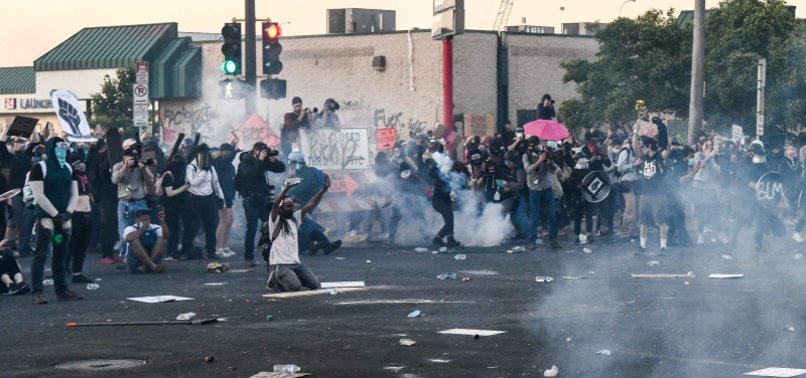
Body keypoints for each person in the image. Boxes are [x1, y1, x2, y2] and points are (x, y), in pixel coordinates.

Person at [29, 137, 82, 304]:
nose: (63, 150)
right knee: (40, 255)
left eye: (65, 147)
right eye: (59, 146)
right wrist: (55, 214)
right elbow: (39, 195)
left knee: (60, 255)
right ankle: (37, 291)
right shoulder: (39, 168)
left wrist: (68, 212)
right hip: (46, 219)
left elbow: (74, 193)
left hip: (63, 219)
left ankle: (62, 289)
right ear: (52, 148)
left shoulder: (68, 167)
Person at [265, 176, 331, 292]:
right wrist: (286, 189)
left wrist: (322, 191)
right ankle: (275, 277)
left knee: (315, 285)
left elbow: (310, 204)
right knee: (294, 287)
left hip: (296, 263)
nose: (291, 209)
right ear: (281, 209)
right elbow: (275, 205)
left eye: (292, 206)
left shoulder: (294, 219)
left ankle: (291, 277)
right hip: (281, 264)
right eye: (288, 206)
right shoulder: (275, 221)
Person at [235, 142, 286, 266]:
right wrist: (260, 160)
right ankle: (248, 258)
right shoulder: (245, 161)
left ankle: (276, 254)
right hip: (250, 200)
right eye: (262, 152)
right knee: (251, 228)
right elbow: (250, 175)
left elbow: (280, 169)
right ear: (255, 151)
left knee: (273, 224)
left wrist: (274, 161)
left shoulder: (262, 160)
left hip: (263, 199)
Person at [181, 144, 224, 260]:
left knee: (211, 227)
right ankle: (185, 251)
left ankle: (211, 251)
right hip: (194, 199)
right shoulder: (191, 167)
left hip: (209, 199)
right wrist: (204, 171)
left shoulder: (211, 167)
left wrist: (221, 198)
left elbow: (216, 183)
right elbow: (194, 182)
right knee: (191, 227)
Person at [112, 139, 154, 257]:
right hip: (124, 203)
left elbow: (151, 180)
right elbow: (115, 180)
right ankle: (125, 255)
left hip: (140, 201)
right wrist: (125, 167)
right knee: (124, 231)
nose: (132, 158)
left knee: (143, 229)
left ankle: (141, 255)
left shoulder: (142, 164)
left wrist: (143, 169)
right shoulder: (118, 166)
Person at [633, 135, 670, 255]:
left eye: (644, 146)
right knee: (644, 222)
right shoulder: (644, 157)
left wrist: (666, 135)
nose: (642, 148)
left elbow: (667, 152)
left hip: (658, 194)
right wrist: (635, 133)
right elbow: (635, 148)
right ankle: (642, 247)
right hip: (645, 193)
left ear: (649, 146)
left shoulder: (659, 156)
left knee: (661, 221)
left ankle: (663, 247)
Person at [523, 136, 560, 249]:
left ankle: (553, 240)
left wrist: (550, 161)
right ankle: (532, 241)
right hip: (534, 189)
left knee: (552, 214)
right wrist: (539, 161)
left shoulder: (544, 153)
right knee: (535, 216)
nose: (536, 146)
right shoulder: (526, 156)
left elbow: (555, 167)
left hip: (547, 187)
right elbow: (528, 170)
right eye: (534, 145)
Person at [64, 158, 94, 283]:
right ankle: (63, 268)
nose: (81, 168)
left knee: (82, 246)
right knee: (71, 245)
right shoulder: (71, 179)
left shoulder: (85, 180)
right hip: (76, 214)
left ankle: (77, 272)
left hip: (87, 213)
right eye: (78, 166)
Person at [213, 138, 239, 258]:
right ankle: (218, 248)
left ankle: (225, 246)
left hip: (229, 194)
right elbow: (230, 157)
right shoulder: (218, 162)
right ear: (222, 152)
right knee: (223, 221)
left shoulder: (229, 165)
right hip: (222, 194)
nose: (229, 154)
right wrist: (235, 149)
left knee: (230, 220)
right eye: (227, 152)